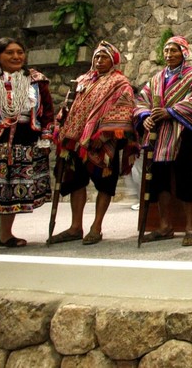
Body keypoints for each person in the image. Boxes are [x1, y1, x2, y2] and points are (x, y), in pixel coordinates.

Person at [50, 41, 139, 245]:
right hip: (77, 143)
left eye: (104, 57)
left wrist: (103, 136)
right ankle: (75, 226)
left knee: (105, 185)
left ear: (113, 60)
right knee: (76, 181)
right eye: (97, 57)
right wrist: (62, 124)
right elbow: (69, 106)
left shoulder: (120, 83)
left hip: (103, 143)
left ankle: (96, 227)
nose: (99, 61)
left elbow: (123, 111)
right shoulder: (82, 80)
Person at [0, 38, 54, 253]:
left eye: (20, 52)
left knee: (11, 190)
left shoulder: (36, 81)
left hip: (23, 143)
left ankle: (6, 235)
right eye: (10, 52)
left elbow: (48, 112)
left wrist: (45, 137)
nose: (16, 57)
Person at [134, 36, 192, 247]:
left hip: (182, 133)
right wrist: (145, 117)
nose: (169, 55)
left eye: (174, 51)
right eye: (166, 51)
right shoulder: (156, 79)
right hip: (158, 136)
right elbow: (141, 101)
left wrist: (171, 111)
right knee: (159, 180)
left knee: (184, 177)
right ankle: (164, 225)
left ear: (184, 53)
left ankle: (190, 227)